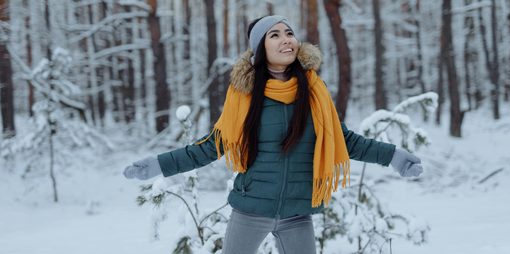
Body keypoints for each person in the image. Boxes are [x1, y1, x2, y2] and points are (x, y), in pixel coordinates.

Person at [123, 15, 423, 254]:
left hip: (297, 213)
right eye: (275, 35)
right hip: (250, 209)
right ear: (260, 48)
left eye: (289, 33)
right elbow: (210, 146)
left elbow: (344, 141)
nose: (286, 39)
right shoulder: (244, 95)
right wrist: (157, 165)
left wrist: (394, 157)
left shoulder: (314, 91)